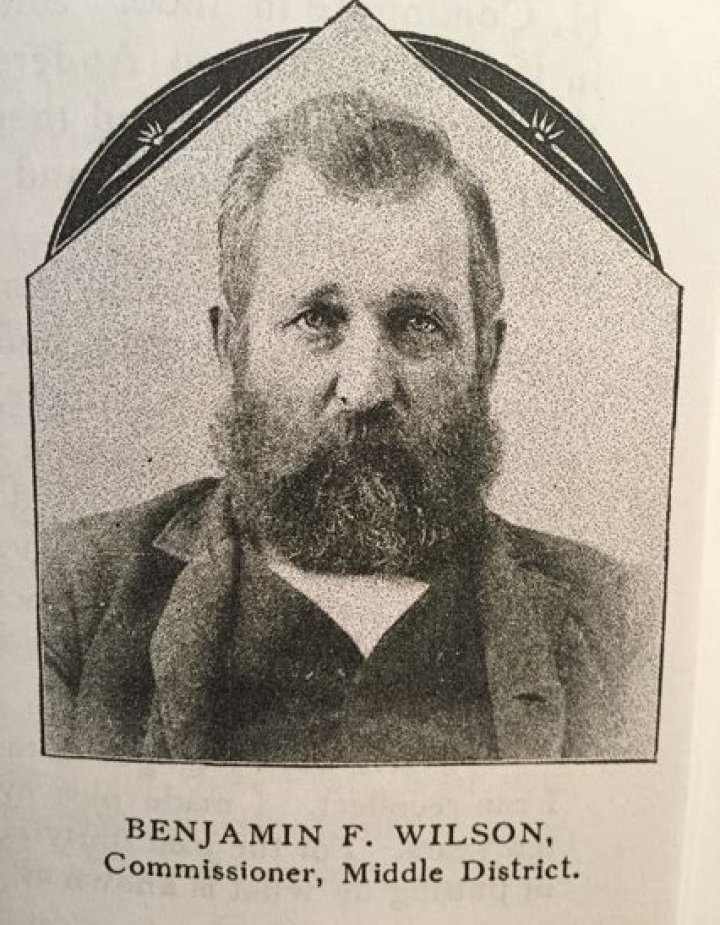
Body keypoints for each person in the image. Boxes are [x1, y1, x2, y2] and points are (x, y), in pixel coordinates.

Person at [39, 91, 655, 763]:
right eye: (317, 320)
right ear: (231, 344)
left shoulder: (626, 625)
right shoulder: (68, 599)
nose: (365, 388)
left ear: (488, 356)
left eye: (417, 323)